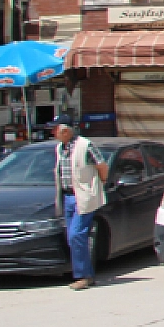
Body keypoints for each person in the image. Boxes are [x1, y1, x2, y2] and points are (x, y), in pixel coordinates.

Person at [52, 117, 108, 291]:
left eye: (55, 130)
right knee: (73, 238)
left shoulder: (85, 145)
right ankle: (87, 274)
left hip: (83, 197)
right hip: (68, 196)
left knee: (77, 235)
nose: (52, 133)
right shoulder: (60, 148)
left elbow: (101, 165)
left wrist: (101, 182)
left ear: (65, 131)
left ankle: (82, 276)